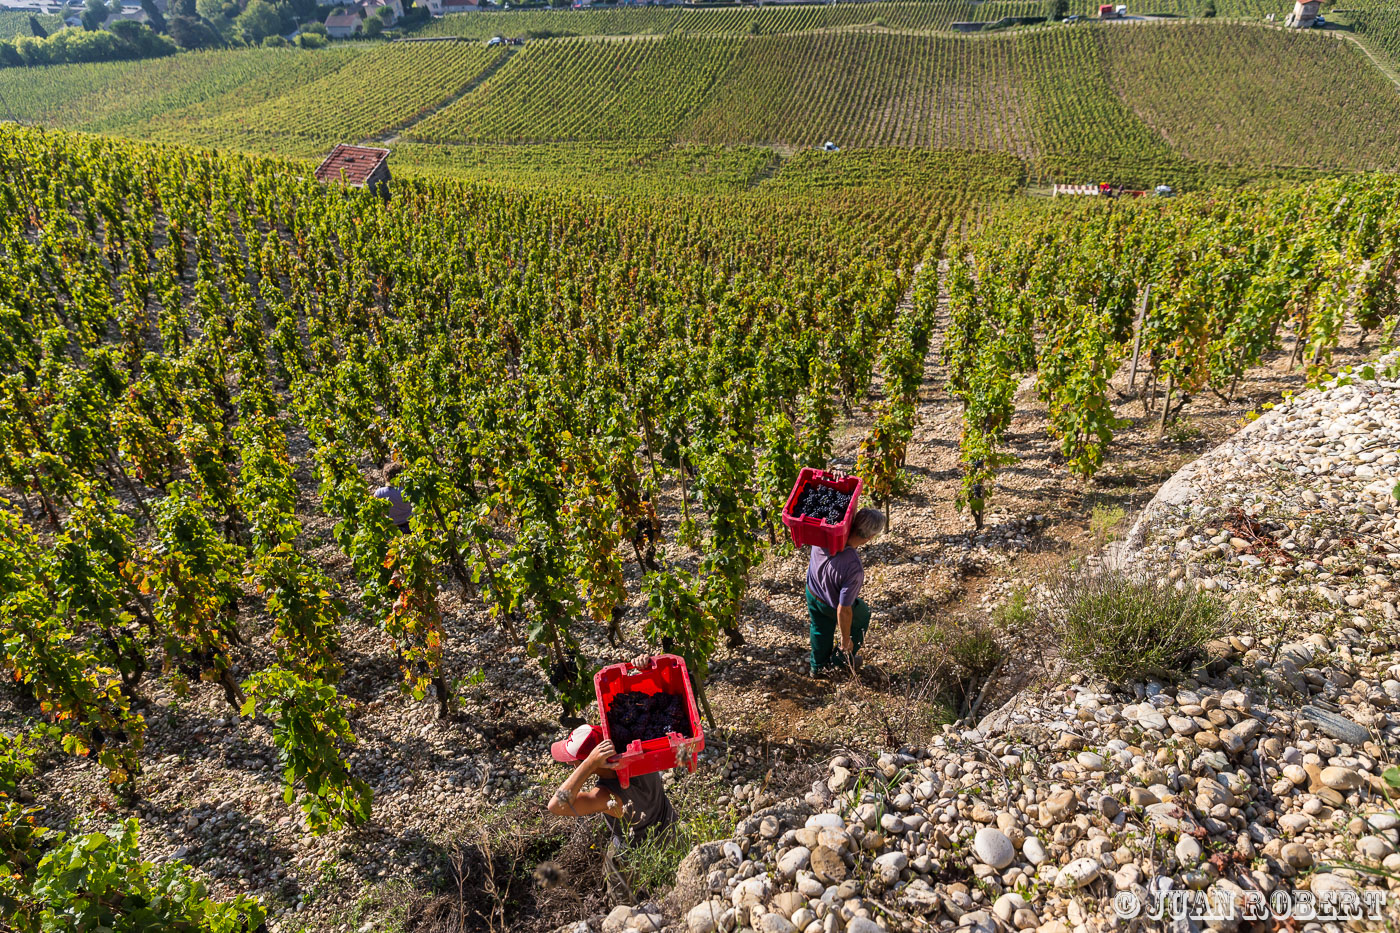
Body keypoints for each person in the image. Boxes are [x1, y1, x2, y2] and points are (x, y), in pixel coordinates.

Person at [545, 658, 677, 901]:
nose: (570, 764)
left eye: (573, 760)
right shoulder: (640, 754)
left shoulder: (607, 796)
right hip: (671, 831)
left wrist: (587, 765)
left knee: (624, 907)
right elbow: (647, 702)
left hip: (635, 856)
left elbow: (556, 805)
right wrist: (643, 667)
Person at [806, 508, 886, 676]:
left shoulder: (825, 531)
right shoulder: (853, 568)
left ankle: (818, 667)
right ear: (869, 537)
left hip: (812, 591)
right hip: (830, 604)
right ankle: (841, 661)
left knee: (820, 628)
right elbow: (844, 609)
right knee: (862, 614)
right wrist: (845, 638)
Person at [374, 463, 413, 534]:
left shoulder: (379, 493)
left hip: (391, 529)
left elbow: (377, 513)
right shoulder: (408, 491)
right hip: (409, 526)